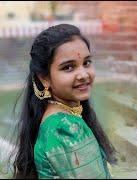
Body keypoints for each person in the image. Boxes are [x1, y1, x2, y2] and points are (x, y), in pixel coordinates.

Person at [11, 24, 116, 179]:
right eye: (68, 67)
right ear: (44, 78)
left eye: (86, 63)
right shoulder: (65, 129)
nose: (83, 74)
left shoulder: (61, 119)